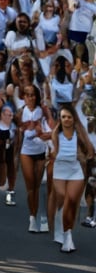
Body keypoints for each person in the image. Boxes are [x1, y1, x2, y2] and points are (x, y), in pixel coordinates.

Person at [50, 103, 93, 254]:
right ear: (60, 119)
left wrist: (82, 157)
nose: (66, 120)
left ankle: (68, 236)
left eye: (69, 117)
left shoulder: (79, 133)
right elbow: (53, 152)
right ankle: (59, 225)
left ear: (74, 118)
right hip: (60, 170)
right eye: (63, 117)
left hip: (75, 171)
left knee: (70, 201)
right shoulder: (56, 134)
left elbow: (90, 152)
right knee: (62, 199)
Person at [16, 84, 51, 233]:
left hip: (41, 151)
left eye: (33, 95)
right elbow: (18, 135)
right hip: (26, 152)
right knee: (30, 186)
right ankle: (32, 217)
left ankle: (41, 216)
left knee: (38, 186)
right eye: (27, 94)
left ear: (36, 96)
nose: (30, 98)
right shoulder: (20, 113)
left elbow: (52, 128)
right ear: (23, 97)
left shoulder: (42, 111)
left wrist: (43, 133)